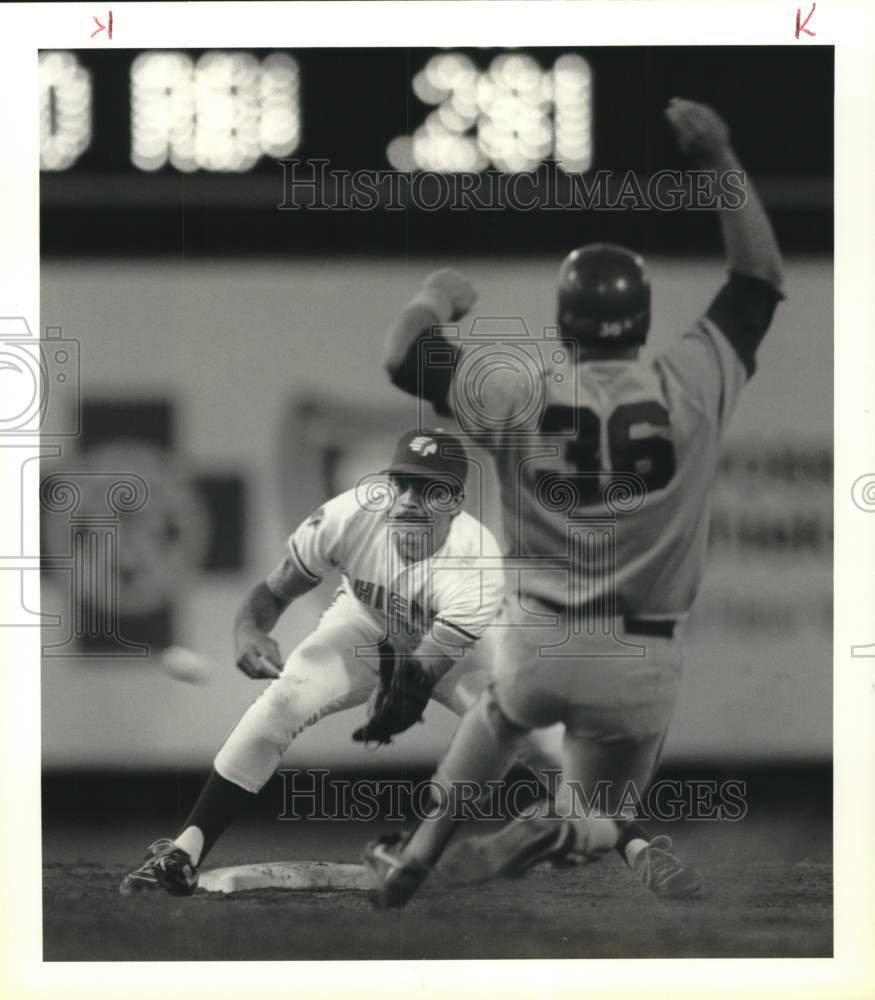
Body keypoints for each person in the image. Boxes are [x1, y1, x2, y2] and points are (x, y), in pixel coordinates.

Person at [363, 97, 784, 907]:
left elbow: (401, 356)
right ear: (642, 321)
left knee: (497, 716)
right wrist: (718, 156)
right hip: (642, 654)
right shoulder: (691, 383)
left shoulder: (517, 390)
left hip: (539, 643)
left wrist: (434, 297)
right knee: (603, 816)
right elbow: (758, 279)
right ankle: (560, 830)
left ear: (564, 325)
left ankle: (414, 855)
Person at [119, 427, 565, 895]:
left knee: (540, 742)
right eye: (403, 484)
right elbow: (271, 593)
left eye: (429, 490)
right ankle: (186, 851)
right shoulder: (347, 517)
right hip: (365, 623)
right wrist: (249, 631)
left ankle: (606, 833)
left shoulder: (476, 563)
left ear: (454, 501)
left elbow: (417, 678)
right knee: (282, 703)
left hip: (456, 651)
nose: (409, 500)